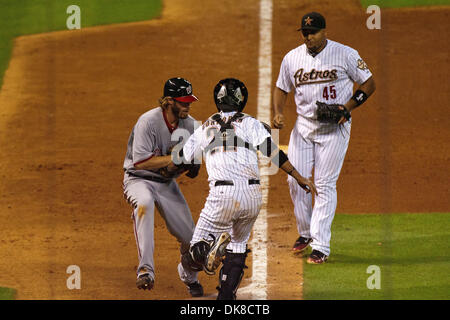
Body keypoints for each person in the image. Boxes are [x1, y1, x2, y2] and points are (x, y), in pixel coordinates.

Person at [179, 78, 317, 300]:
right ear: (242, 100)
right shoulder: (252, 123)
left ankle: (210, 250)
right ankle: (226, 297)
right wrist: (298, 177)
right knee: (239, 243)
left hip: (222, 196)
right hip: (252, 196)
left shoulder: (205, 126)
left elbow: (185, 158)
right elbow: (273, 152)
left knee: (196, 249)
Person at [272, 12, 376, 264]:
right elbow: (281, 87)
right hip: (304, 128)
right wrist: (277, 113)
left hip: (334, 131)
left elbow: (369, 84)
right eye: (305, 33)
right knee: (295, 180)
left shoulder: (346, 54)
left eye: (313, 32)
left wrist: (348, 107)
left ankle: (321, 246)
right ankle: (306, 233)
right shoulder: (291, 58)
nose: (308, 37)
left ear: (324, 31)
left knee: (325, 185)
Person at [122, 77, 204, 297]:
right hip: (138, 179)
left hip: (167, 184)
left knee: (190, 238)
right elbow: (141, 162)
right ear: (168, 101)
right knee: (144, 204)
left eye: (189, 101)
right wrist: (175, 159)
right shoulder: (147, 122)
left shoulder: (192, 125)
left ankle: (190, 277)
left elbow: (192, 163)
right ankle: (145, 271)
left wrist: (193, 165)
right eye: (183, 102)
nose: (188, 105)